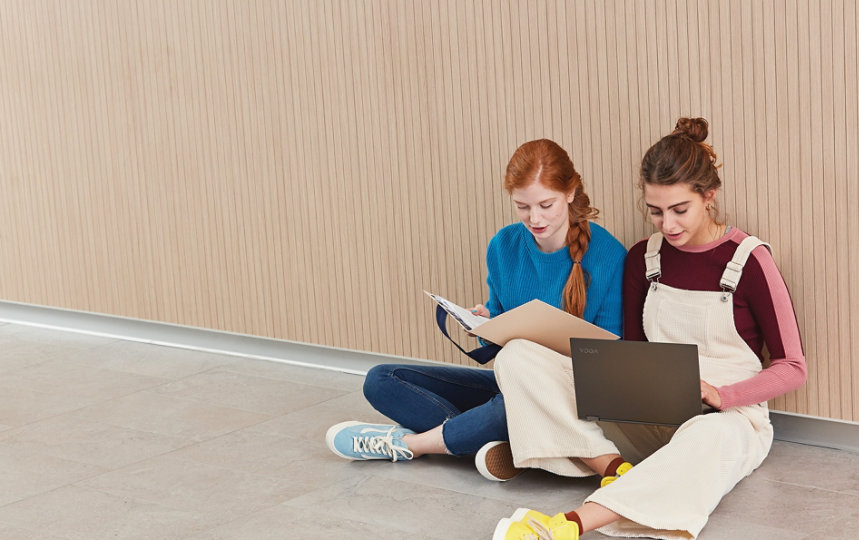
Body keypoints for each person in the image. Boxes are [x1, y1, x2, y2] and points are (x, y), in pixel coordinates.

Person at [493, 117, 807, 540]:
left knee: (710, 441)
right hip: (650, 413)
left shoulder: (750, 260)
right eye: (656, 212)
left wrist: (721, 395)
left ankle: (570, 524)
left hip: (726, 417)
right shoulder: (645, 256)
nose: (668, 225)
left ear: (708, 196)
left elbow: (793, 366)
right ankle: (612, 467)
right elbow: (632, 348)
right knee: (518, 357)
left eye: (680, 210)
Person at [324, 139, 626, 480]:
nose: (535, 218)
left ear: (570, 193)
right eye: (523, 206)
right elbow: (500, 334)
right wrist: (487, 323)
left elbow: (611, 359)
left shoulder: (608, 255)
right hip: (509, 381)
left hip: (567, 395)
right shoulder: (504, 245)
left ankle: (411, 444)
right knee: (381, 380)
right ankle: (502, 443)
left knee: (509, 408)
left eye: (546, 204)